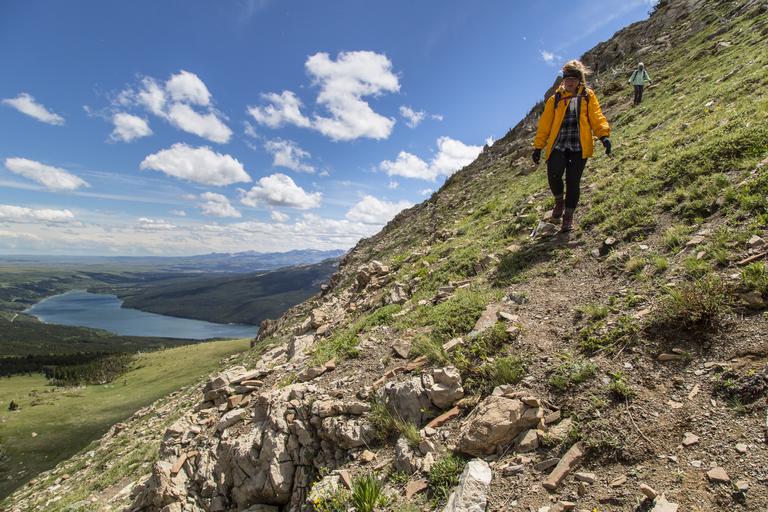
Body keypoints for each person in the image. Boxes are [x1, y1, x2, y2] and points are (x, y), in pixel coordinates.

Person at [531, 60, 611, 232]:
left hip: (579, 145)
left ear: (579, 80)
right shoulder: (556, 98)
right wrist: (538, 147)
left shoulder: (588, 96)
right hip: (558, 144)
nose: (569, 82)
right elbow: (545, 124)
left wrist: (603, 136)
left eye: (573, 79)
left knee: (573, 182)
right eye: (566, 78)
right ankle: (559, 201)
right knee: (554, 175)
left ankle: (568, 217)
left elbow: (596, 116)